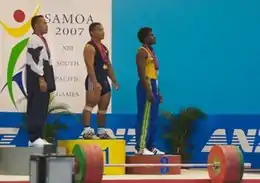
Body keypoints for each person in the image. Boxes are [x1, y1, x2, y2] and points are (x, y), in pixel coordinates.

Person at [81, 22, 119, 139]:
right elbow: (89, 66)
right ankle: (87, 130)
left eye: (103, 29)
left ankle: (101, 131)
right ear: (92, 32)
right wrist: (95, 82)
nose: (103, 32)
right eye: (99, 30)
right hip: (94, 79)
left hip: (104, 79)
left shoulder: (104, 48)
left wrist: (114, 80)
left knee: (103, 108)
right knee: (90, 105)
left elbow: (109, 65)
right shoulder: (89, 47)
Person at [26, 15, 56, 147]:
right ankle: (34, 138)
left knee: (42, 106)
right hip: (37, 76)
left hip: (44, 73)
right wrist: (41, 78)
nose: (46, 25)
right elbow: (34, 61)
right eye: (43, 23)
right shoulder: (33, 39)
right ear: (36, 26)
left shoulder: (41, 39)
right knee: (36, 106)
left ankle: (39, 137)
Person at [135, 27, 165, 155]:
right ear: (145, 38)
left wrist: (158, 91)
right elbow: (141, 73)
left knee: (153, 118)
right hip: (146, 84)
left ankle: (151, 146)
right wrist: (148, 90)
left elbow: (154, 74)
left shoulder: (152, 51)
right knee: (145, 117)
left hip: (154, 84)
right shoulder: (142, 52)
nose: (154, 37)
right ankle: (141, 147)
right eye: (151, 35)